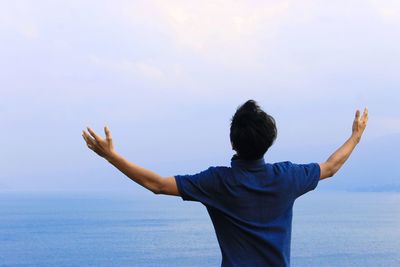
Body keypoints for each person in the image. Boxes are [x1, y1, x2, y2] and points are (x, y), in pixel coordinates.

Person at [82, 100, 368, 267]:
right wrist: (355, 137)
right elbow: (331, 167)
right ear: (269, 142)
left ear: (233, 141)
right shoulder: (287, 177)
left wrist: (111, 157)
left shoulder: (218, 182)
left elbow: (156, 184)